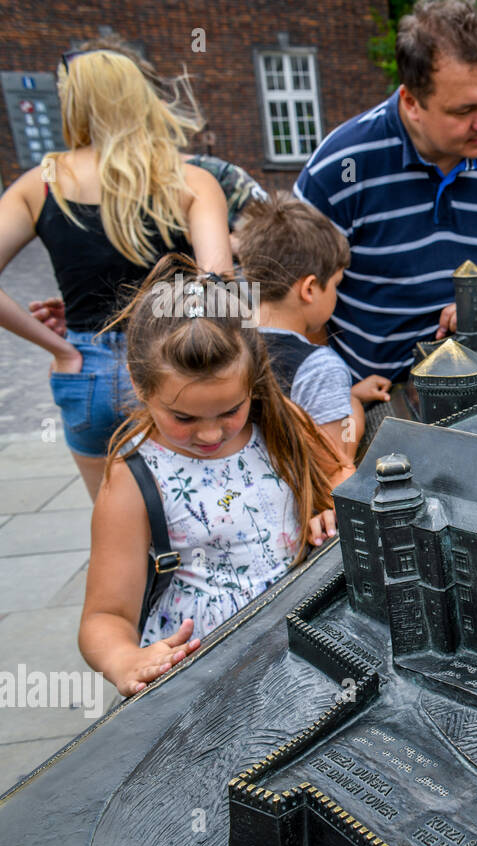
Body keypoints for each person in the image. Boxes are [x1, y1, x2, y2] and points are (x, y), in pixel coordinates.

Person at [79, 257, 349, 697]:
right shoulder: (133, 476)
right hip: (202, 677)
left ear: (254, 378)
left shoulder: (279, 421)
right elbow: (104, 617)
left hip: (302, 652)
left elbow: (341, 473)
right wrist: (124, 658)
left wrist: (330, 506)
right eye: (183, 416)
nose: (210, 432)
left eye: (230, 410)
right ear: (139, 384)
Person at [295, 0, 477, 381]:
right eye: (465, 110)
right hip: (377, 396)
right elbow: (295, 296)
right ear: (411, 102)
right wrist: (335, 390)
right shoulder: (341, 167)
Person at [0, 49, 231, 499]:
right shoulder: (188, 179)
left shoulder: (41, 181)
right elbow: (220, 291)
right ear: (140, 97)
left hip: (88, 370)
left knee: (113, 523)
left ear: (73, 102)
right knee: (203, 511)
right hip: (177, 363)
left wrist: (63, 348)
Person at [28, 33, 268, 338]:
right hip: (181, 345)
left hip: (192, 343)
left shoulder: (214, 176)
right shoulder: (198, 181)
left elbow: (282, 256)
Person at [235, 195, 393, 463]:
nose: (336, 293)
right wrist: (352, 409)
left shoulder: (230, 344)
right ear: (309, 289)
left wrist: (345, 395)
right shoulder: (320, 369)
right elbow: (335, 465)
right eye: (335, 283)